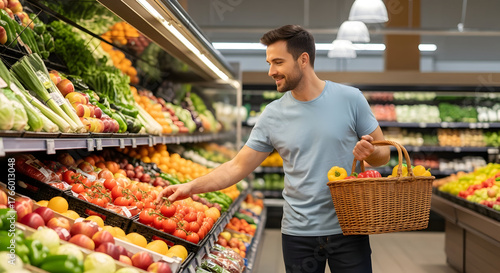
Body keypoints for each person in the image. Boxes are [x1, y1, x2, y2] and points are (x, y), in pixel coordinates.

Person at [157, 24, 390, 273]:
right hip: (298, 234)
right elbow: (237, 166)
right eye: (269, 63)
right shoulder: (273, 115)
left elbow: (383, 155)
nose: (271, 71)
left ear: (303, 60)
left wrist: (371, 153)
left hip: (349, 227)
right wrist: (190, 187)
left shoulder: (350, 99)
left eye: (278, 62)